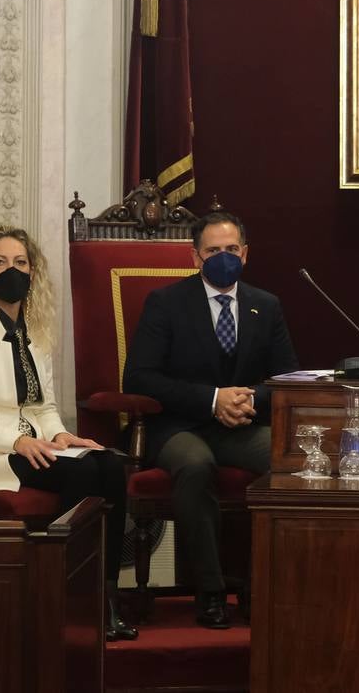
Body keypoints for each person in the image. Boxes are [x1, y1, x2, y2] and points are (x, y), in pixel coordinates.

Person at [0, 226, 137, 641]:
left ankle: (104, 599)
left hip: (36, 443)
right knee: (83, 476)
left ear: (32, 272)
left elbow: (44, 408)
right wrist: (15, 440)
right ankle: (66, 597)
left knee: (109, 465)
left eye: (20, 263)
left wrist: (63, 436)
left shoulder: (36, 332)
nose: (10, 271)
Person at [123, 210, 298, 629]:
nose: (224, 257)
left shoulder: (265, 305)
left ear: (246, 253)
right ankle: (211, 590)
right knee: (196, 465)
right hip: (179, 425)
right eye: (214, 251)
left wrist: (250, 398)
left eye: (231, 249)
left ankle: (268, 586)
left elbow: (289, 377)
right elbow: (139, 376)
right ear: (195, 257)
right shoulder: (166, 303)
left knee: (290, 464)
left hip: (241, 425)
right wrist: (212, 399)